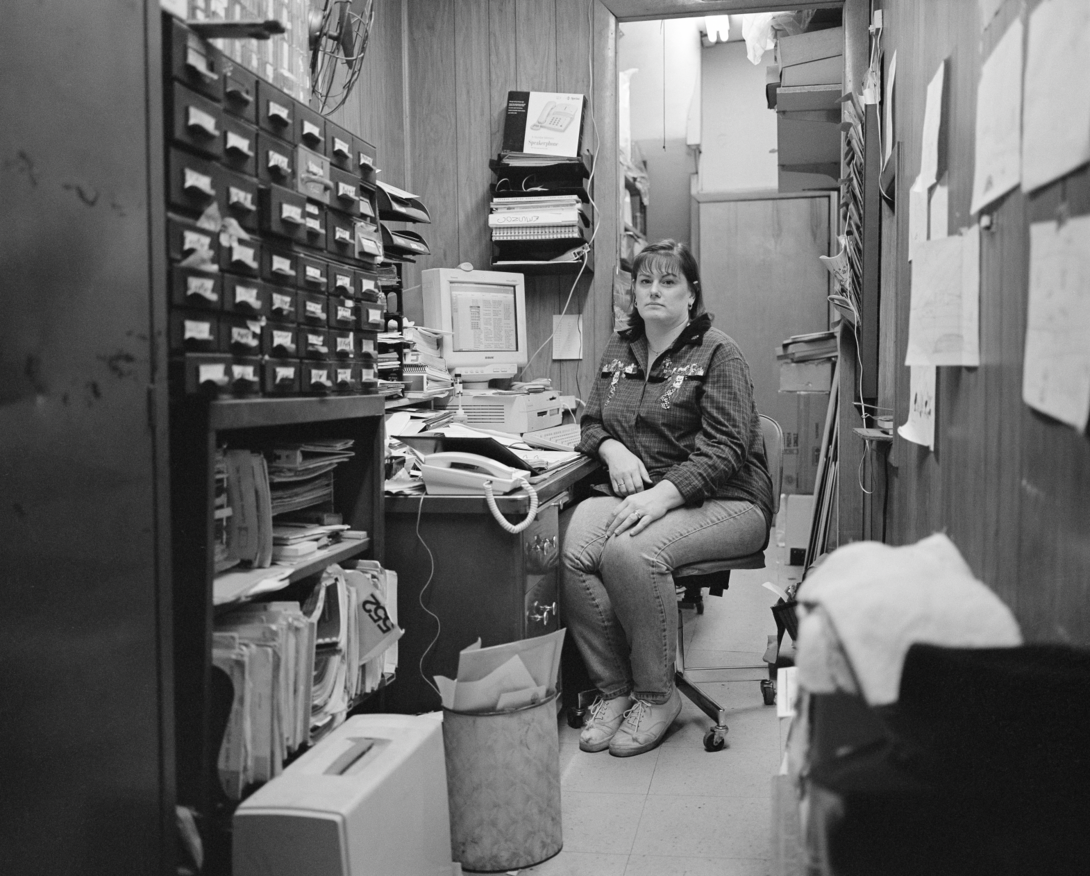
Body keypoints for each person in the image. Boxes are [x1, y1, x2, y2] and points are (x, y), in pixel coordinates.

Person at [561, 239, 774, 757]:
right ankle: (615, 690)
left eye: (668, 281)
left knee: (632, 550)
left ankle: (657, 697)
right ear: (632, 292)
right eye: (644, 281)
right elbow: (590, 422)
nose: (654, 291)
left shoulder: (718, 352)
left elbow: (727, 449)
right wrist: (612, 451)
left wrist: (663, 497)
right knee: (573, 548)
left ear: (691, 294)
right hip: (644, 494)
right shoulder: (620, 350)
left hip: (728, 500)